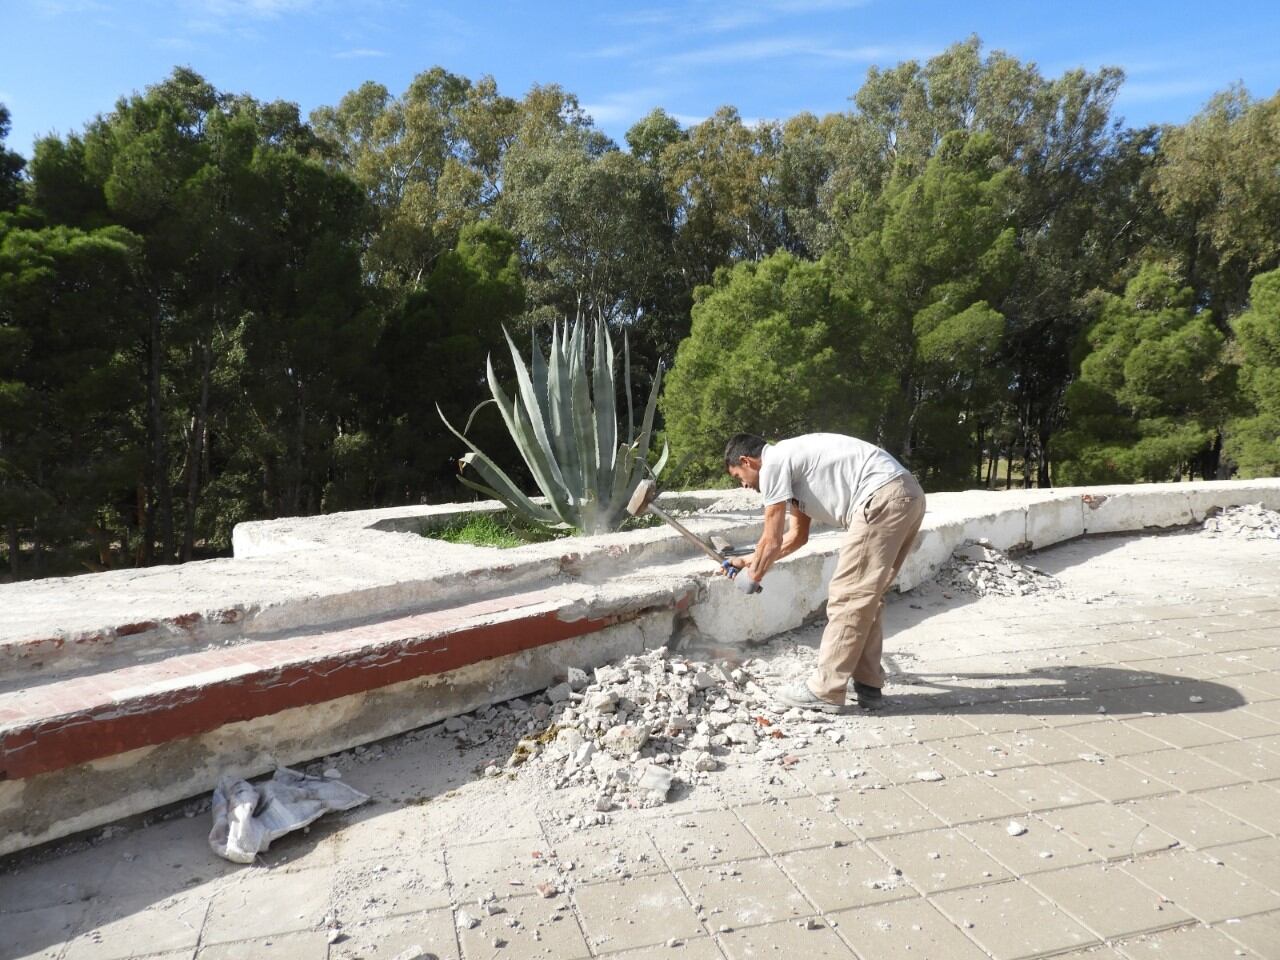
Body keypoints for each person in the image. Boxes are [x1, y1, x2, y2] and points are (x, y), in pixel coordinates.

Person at [722, 432, 926, 713]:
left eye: (739, 476)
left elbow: (771, 540)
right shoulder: (793, 465)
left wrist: (751, 578)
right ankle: (868, 683)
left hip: (881, 498)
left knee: (848, 596)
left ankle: (825, 690)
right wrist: (749, 561)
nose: (744, 485)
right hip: (905, 495)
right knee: (866, 596)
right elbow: (796, 537)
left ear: (747, 461)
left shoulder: (773, 464)